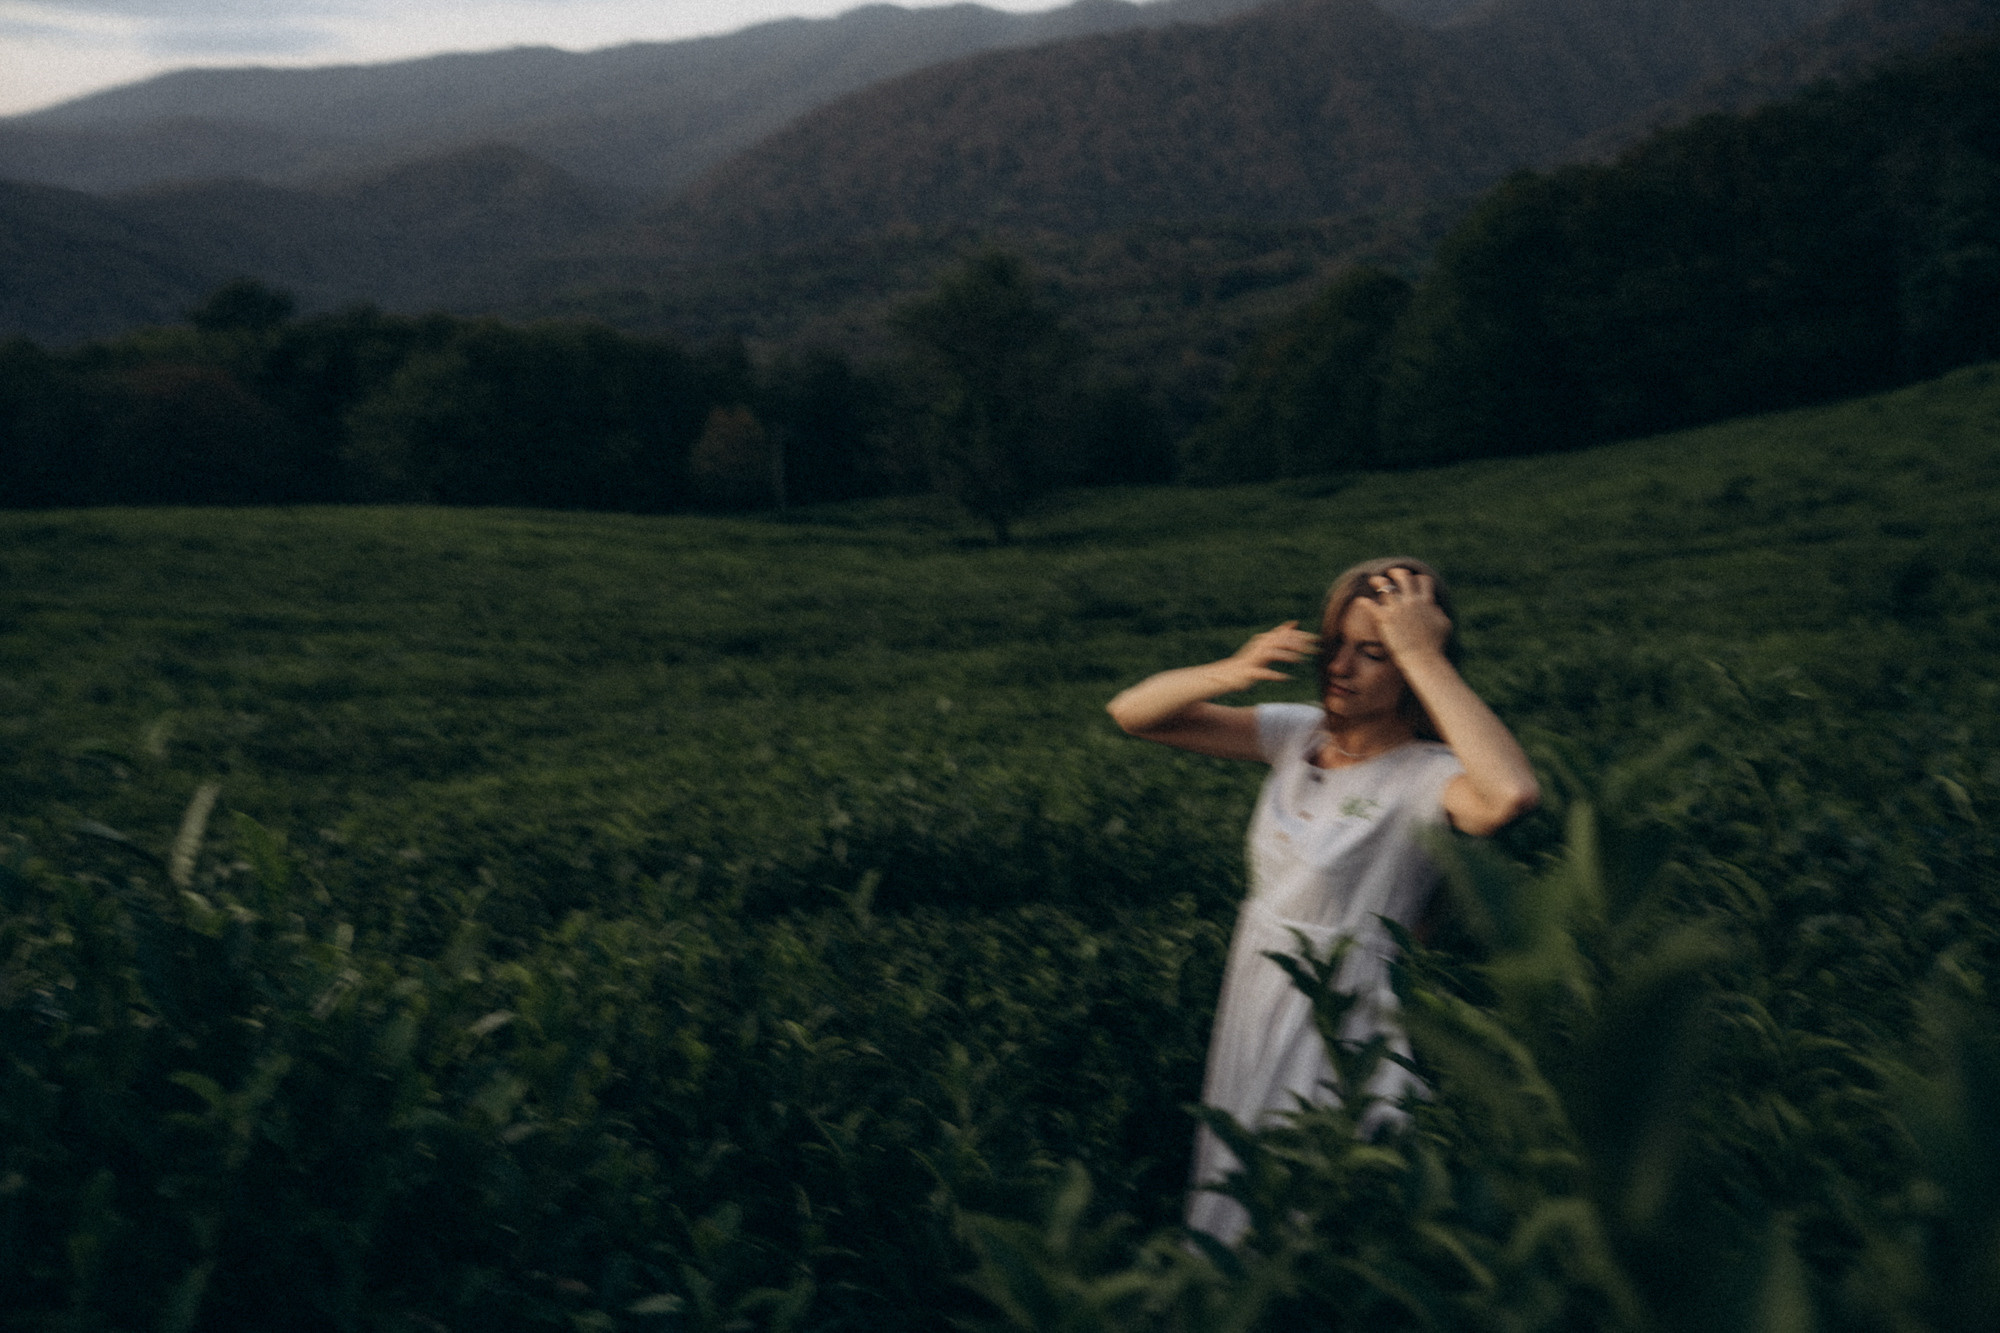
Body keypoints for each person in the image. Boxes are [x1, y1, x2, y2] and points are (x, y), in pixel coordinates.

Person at [1105, 557, 1538, 1245]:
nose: (1341, 666)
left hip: (1342, 1013)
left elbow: (1510, 794)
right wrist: (1229, 671)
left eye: (1374, 653)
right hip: (1253, 993)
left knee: (1316, 1204)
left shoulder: (1430, 775)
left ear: (1413, 669)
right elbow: (1132, 714)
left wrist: (1423, 651)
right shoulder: (1297, 734)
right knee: (1238, 1187)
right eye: (1337, 643)